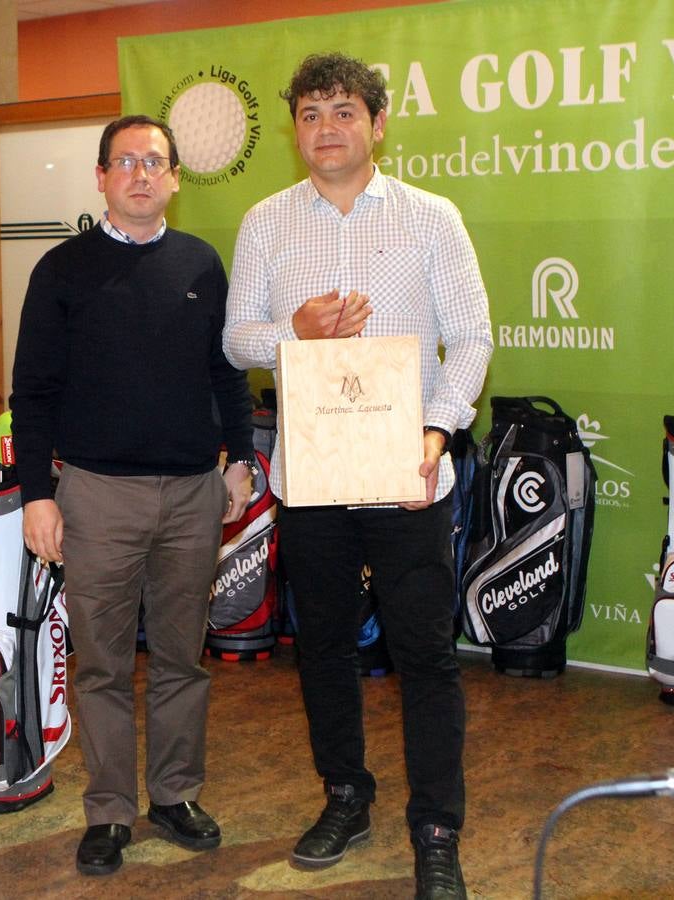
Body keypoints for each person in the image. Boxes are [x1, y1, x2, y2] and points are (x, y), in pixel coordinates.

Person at [223, 54, 492, 899]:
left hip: (407, 473)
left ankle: (437, 826)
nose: (325, 128)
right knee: (325, 649)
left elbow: (473, 336)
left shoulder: (432, 217)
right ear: (295, 128)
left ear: (378, 123)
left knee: (424, 654)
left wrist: (438, 426)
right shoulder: (266, 222)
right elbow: (236, 341)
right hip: (312, 476)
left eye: (344, 111)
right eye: (309, 113)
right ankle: (346, 796)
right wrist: (293, 332)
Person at [10, 114, 254, 877]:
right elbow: (34, 391)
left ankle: (176, 796)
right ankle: (109, 811)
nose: (141, 173)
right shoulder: (61, 270)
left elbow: (229, 374)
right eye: (125, 161)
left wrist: (241, 458)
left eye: (155, 161)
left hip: (192, 494)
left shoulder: (203, 265)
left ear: (176, 177)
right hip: (95, 498)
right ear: (102, 178)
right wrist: (36, 495)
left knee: (183, 659)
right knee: (105, 667)